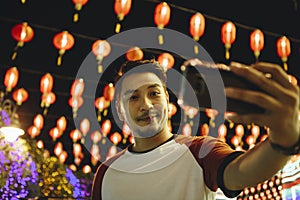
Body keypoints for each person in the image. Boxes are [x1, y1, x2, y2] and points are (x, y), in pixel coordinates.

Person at [91, 58, 299, 200]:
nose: (146, 105)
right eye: (133, 97)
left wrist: (283, 141)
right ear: (119, 111)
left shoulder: (200, 150)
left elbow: (239, 172)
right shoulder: (106, 172)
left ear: (167, 101)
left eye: (154, 93)